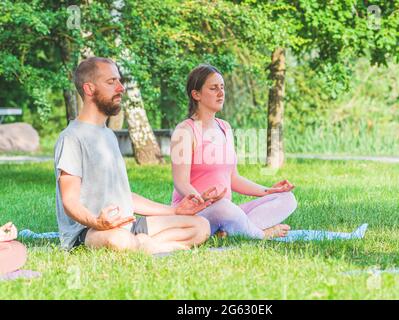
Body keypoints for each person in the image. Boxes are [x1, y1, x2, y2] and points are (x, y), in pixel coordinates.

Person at [54, 57, 211, 255]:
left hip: (127, 225)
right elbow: (70, 201)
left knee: (200, 226)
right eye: (111, 82)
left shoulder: (107, 135)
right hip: (90, 231)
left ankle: (144, 245)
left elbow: (124, 197)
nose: (120, 88)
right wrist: (97, 222)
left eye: (119, 81)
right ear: (89, 89)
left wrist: (174, 210)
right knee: (119, 240)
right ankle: (151, 246)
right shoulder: (71, 138)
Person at [170, 64, 298, 240]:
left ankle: (230, 231)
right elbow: (181, 182)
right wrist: (203, 200)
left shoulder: (224, 128)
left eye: (222, 87)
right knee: (224, 207)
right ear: (196, 94)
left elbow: (234, 179)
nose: (221, 93)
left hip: (225, 210)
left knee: (286, 198)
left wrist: (269, 191)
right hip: (196, 213)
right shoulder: (185, 131)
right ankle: (260, 234)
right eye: (214, 88)